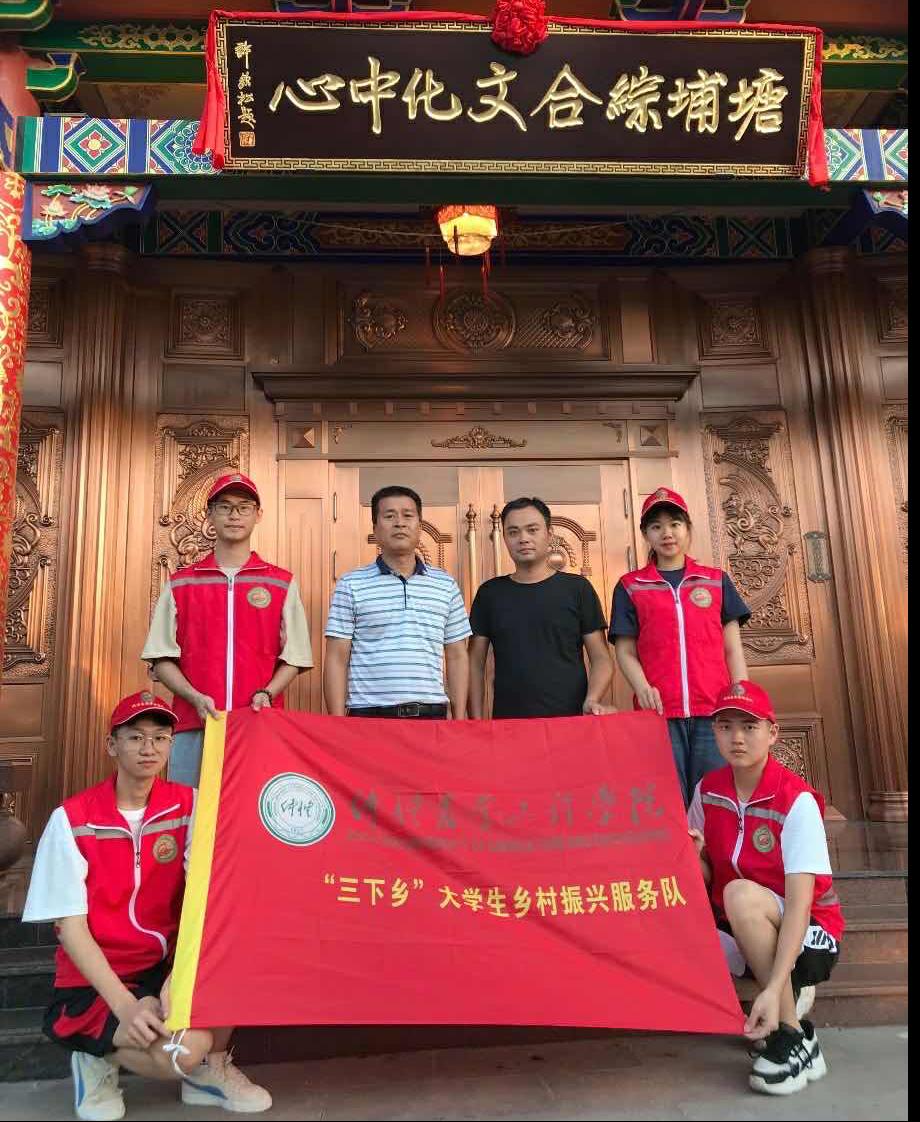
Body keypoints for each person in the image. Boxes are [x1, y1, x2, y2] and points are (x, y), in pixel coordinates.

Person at [22, 691, 271, 1119]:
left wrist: (177, 978)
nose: (148, 748)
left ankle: (210, 1071)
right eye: (135, 737)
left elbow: (212, 898)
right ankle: (95, 1056)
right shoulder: (72, 819)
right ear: (112, 745)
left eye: (160, 738)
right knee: (179, 1053)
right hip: (99, 978)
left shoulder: (191, 805)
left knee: (236, 951)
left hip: (164, 966)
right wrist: (126, 1006)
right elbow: (71, 929)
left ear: (171, 745)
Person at [688, 680, 845, 1097]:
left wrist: (773, 990)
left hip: (811, 934)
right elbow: (704, 877)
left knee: (739, 895)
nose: (736, 738)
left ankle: (788, 1032)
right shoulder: (708, 790)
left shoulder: (796, 800)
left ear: (772, 733)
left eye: (749, 726)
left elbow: (800, 905)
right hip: (740, 923)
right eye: (725, 727)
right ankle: (801, 1037)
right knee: (683, 920)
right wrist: (693, 857)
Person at [142, 472, 313, 787]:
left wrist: (267, 693)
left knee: (253, 808)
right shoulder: (181, 584)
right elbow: (161, 657)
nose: (234, 515)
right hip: (195, 724)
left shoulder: (280, 582)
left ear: (258, 515)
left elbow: (296, 656)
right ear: (210, 515)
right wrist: (194, 697)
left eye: (244, 507)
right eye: (225, 507)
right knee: (194, 809)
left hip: (260, 723)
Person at [609, 486, 750, 806]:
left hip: (713, 710)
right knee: (668, 801)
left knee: (713, 799)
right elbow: (625, 651)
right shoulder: (631, 586)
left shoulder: (716, 581)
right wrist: (642, 687)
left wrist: (741, 694)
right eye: (656, 526)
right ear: (645, 534)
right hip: (659, 713)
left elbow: (732, 649)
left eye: (674, 524)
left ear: (687, 528)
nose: (667, 533)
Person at [324, 485, 470, 719]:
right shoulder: (351, 584)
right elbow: (336, 658)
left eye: (408, 515)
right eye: (389, 516)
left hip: (431, 716)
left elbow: (457, 655)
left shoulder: (446, 585)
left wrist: (460, 719)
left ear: (419, 526)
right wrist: (338, 722)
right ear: (375, 528)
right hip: (369, 716)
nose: (400, 523)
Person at [469, 496, 613, 719]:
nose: (523, 539)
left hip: (571, 721)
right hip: (510, 724)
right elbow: (474, 663)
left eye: (532, 530)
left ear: (550, 533)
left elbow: (601, 658)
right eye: (513, 532)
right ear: (504, 538)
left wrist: (592, 698)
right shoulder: (490, 593)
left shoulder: (577, 589)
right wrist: (476, 722)